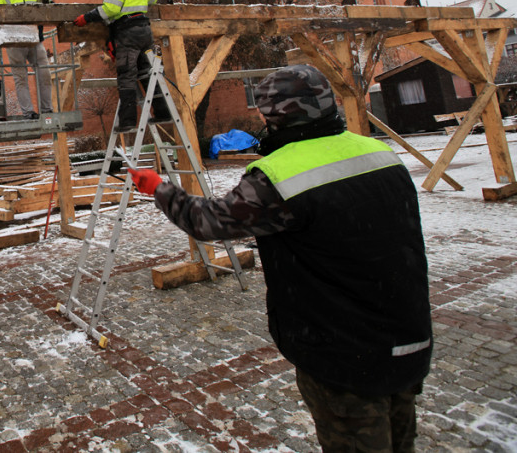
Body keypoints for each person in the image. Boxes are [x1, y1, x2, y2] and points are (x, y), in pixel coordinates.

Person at [128, 65, 432, 452]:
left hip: (343, 352)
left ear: (277, 114)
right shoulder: (376, 152)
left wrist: (159, 187)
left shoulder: (281, 176)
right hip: (407, 332)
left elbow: (207, 221)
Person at [73, 0, 166, 132]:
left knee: (126, 75)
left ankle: (128, 121)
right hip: (145, 30)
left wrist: (88, 17)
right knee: (148, 73)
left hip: (127, 32)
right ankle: (163, 112)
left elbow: (111, 9)